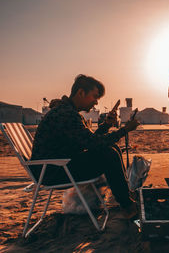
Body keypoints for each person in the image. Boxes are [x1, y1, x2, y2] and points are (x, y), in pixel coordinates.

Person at [31, 74, 140, 218]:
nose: (95, 102)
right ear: (81, 93)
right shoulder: (66, 115)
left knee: (112, 149)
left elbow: (87, 140)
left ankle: (124, 195)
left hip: (57, 166)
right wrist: (124, 130)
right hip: (53, 172)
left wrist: (106, 125)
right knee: (109, 154)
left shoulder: (67, 112)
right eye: (94, 97)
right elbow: (93, 143)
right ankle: (127, 206)